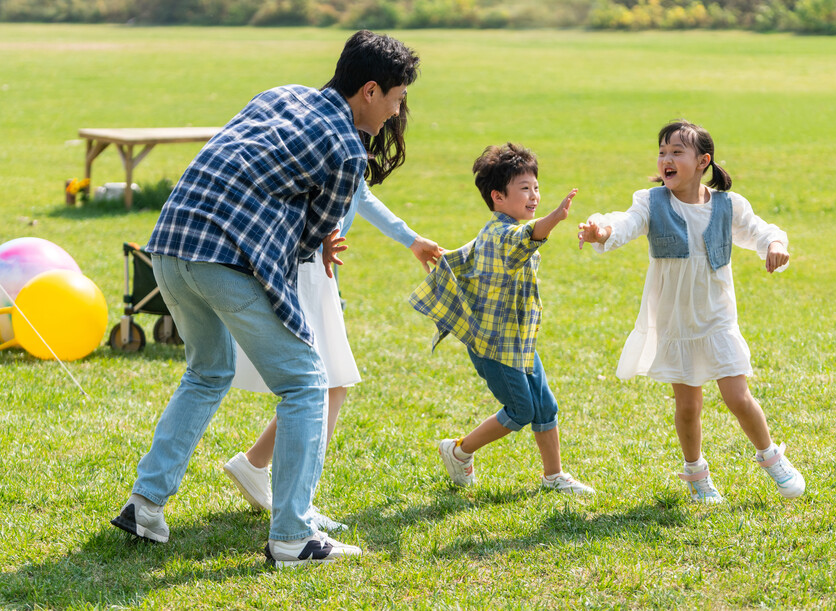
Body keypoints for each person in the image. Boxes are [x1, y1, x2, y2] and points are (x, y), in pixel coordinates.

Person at [111, 30, 420, 568]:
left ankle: (145, 503)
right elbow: (308, 243)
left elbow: (240, 164)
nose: (396, 113)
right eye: (395, 100)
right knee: (306, 383)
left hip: (168, 246)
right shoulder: (347, 148)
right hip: (223, 260)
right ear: (370, 91)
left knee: (207, 374)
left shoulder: (281, 93)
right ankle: (293, 538)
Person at [225, 100, 443, 532]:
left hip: (315, 273)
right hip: (305, 270)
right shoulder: (339, 141)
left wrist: (411, 239)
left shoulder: (342, 138)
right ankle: (294, 500)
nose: (391, 121)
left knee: (323, 384)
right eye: (393, 106)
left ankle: (255, 464)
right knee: (327, 385)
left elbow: (361, 197)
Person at [577, 119, 805, 503]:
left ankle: (772, 459)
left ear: (703, 161)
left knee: (738, 396)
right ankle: (697, 474)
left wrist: (776, 244)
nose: (666, 158)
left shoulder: (728, 205)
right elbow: (625, 224)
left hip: (717, 318)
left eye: (677, 152)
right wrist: (602, 231)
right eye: (662, 152)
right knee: (687, 406)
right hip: (676, 322)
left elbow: (761, 230)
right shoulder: (651, 202)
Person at [410, 143, 594, 494]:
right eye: (524, 189)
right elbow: (530, 235)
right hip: (494, 345)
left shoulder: (493, 230)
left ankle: (553, 476)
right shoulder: (504, 234)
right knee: (520, 409)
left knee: (544, 404)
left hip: (517, 339)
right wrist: (555, 217)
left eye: (535, 187)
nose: (534, 195)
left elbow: (469, 256)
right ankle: (459, 451)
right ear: (497, 196)